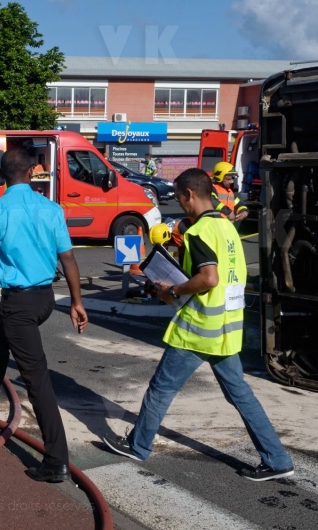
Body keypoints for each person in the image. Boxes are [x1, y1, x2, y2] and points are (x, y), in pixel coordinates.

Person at [103, 168, 294, 482]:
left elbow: (209, 278)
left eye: (179, 197)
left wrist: (173, 290)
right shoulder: (228, 228)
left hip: (197, 329)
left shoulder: (198, 231)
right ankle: (276, 459)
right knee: (241, 395)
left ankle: (138, 446)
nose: (179, 203)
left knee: (160, 390)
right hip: (225, 329)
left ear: (189, 194)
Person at [0, 147, 89, 483]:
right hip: (45, 298)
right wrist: (76, 302)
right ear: (31, 172)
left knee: (37, 380)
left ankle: (57, 460)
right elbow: (69, 259)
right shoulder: (51, 208)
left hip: (19, 303)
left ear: (1, 175)